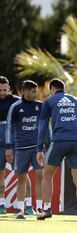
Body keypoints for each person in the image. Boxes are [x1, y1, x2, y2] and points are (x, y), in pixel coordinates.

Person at [36, 78, 77, 221]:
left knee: (47, 175)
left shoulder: (49, 102)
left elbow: (43, 127)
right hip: (76, 143)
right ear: (63, 88)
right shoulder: (76, 101)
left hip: (59, 142)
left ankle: (47, 209)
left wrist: (39, 148)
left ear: (52, 89)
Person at [5, 80, 46, 219]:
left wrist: (48, 142)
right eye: (33, 91)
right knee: (21, 178)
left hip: (37, 148)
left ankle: (39, 209)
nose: (36, 94)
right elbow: (9, 128)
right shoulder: (16, 107)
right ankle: (21, 210)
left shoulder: (40, 106)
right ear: (24, 92)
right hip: (20, 148)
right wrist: (9, 147)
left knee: (40, 176)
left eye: (36, 91)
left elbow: (47, 125)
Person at [0, 76, 34, 215]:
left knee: (22, 174)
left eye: (4, 90)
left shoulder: (17, 102)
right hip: (0, 145)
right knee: (0, 175)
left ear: (10, 89)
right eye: (0, 90)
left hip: (16, 144)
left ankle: (29, 206)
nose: (2, 92)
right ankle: (2, 205)